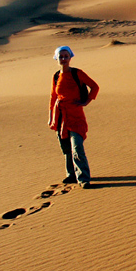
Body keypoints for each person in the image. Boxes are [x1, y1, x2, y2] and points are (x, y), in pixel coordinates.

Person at [48, 46, 100, 188]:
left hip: (76, 115)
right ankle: (71, 175)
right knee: (65, 148)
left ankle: (83, 178)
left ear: (70, 57)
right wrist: (51, 116)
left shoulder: (78, 73)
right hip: (60, 116)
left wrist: (86, 101)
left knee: (77, 147)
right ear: (57, 59)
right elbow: (53, 97)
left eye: (66, 56)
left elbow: (95, 86)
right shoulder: (56, 76)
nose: (63, 59)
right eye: (61, 56)